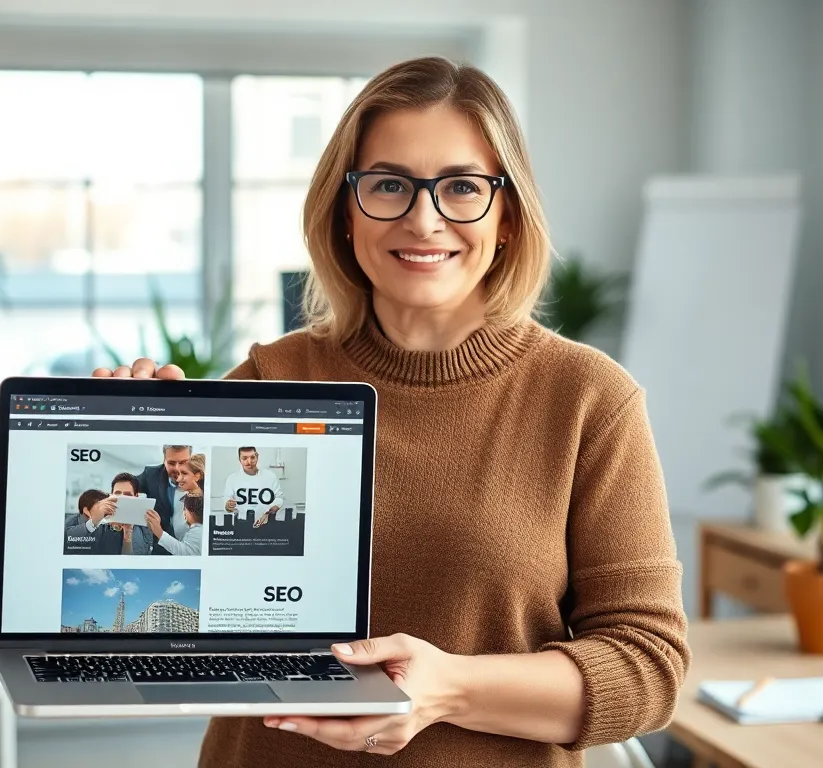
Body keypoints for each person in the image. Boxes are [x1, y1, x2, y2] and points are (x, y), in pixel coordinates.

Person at [92, 56, 689, 768]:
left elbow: (648, 669)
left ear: (506, 215)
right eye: (388, 184)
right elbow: (177, 601)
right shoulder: (270, 378)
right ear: (345, 211)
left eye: (462, 187)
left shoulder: (589, 400)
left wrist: (446, 690)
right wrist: (128, 433)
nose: (423, 218)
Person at [146, 453, 205, 555]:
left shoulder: (205, 506)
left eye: (184, 474)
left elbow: (188, 551)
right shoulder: (179, 497)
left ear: (197, 476)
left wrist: (159, 532)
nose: (178, 479)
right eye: (178, 474)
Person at [136, 444, 191, 552]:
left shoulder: (203, 479)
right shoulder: (151, 475)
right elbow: (127, 484)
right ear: (164, 460)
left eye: (183, 462)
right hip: (160, 549)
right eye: (171, 463)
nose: (177, 468)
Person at [222, 447, 282, 528]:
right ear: (239, 459)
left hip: (267, 524)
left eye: (252, 457)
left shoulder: (270, 476)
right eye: (245, 458)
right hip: (241, 525)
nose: (249, 461)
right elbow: (227, 502)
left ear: (257, 456)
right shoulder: (232, 479)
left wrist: (268, 512)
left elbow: (279, 498)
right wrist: (228, 506)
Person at [146, 490, 205, 556]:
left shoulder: (198, 531)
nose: (184, 513)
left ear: (192, 511)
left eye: (185, 509)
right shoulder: (197, 529)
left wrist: (160, 533)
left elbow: (184, 552)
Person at [62, 489, 111, 555]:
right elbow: (68, 536)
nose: (104, 511)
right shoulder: (70, 523)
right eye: (100, 507)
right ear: (86, 510)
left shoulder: (104, 524)